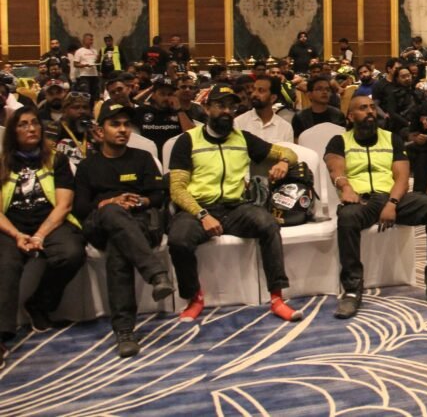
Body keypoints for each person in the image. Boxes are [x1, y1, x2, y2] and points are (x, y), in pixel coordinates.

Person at [167, 84, 302, 322]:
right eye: (220, 105)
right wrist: (202, 215)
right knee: (178, 239)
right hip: (198, 209)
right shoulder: (187, 141)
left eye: (231, 106)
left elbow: (290, 154)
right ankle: (194, 298)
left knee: (268, 224)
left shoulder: (243, 139)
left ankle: (277, 298)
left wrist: (283, 162)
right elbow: (177, 189)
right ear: (207, 109)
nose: (227, 111)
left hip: (237, 208)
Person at [325, 95, 427, 319]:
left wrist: (392, 203)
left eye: (371, 107)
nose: (370, 111)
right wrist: (345, 187)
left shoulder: (391, 139)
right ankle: (351, 289)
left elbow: (402, 176)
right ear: (350, 116)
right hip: (361, 200)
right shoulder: (339, 141)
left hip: (391, 197)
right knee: (347, 219)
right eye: (362, 108)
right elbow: (335, 169)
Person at [73, 101, 173, 357]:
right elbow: (81, 207)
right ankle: (156, 273)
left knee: (120, 246)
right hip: (100, 223)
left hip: (140, 221)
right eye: (114, 124)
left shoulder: (142, 159)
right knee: (111, 213)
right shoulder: (88, 166)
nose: (122, 130)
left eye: (127, 125)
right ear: (100, 130)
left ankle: (125, 332)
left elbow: (159, 197)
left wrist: (141, 201)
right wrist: (109, 202)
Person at [0, 108, 86, 365]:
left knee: (71, 253)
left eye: (35, 123)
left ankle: (40, 303)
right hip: (11, 224)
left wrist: (38, 236)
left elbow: (64, 205)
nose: (31, 129)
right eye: (23, 124)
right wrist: (17, 235)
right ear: (14, 131)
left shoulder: (57, 160)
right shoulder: (2, 162)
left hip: (51, 222)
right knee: (5, 264)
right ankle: (1, 336)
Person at [133, 75, 195, 151]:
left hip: (174, 156)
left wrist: (179, 110)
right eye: (162, 94)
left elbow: (193, 135)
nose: (166, 98)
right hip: (148, 156)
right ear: (153, 95)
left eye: (170, 94)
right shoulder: (142, 111)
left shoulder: (179, 113)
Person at [234, 75, 293, 144]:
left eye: (261, 91)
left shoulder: (285, 128)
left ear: (273, 98)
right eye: (254, 89)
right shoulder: (239, 122)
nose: (254, 94)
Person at [292, 74, 346, 140]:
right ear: (309, 94)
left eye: (327, 89)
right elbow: (297, 142)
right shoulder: (300, 117)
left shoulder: (338, 115)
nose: (325, 92)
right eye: (319, 89)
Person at [74, 33, 101, 103]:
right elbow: (75, 64)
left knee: (95, 95)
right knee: (86, 94)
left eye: (92, 40)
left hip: (94, 75)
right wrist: (85, 65)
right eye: (90, 40)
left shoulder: (94, 51)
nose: (91, 41)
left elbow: (96, 62)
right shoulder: (79, 51)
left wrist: (98, 60)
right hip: (85, 76)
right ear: (84, 40)